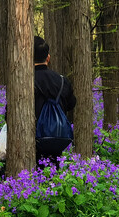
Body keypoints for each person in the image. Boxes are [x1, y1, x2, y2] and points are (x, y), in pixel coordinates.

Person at [34, 36, 76, 164]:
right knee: (53, 170)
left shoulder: (25, 80)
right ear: (48, 58)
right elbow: (71, 104)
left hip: (33, 138)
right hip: (56, 138)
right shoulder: (62, 80)